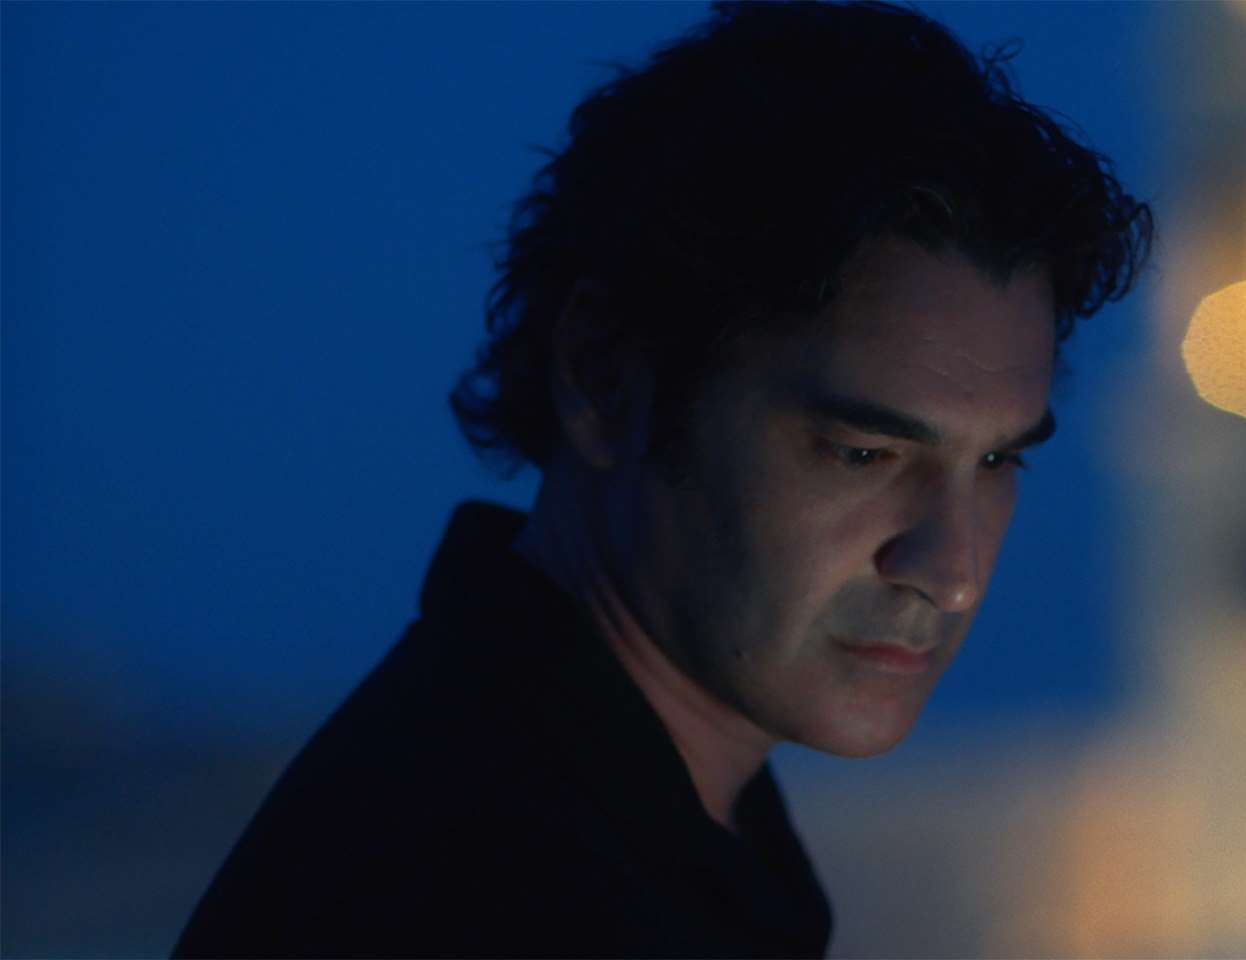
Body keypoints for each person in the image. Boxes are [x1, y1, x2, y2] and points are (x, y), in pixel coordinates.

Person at [174, 2, 1151, 956]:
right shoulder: (484, 887)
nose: (954, 572)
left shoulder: (633, 830)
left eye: (997, 460)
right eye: (865, 453)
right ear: (604, 379)